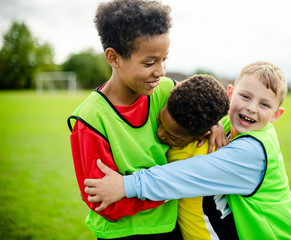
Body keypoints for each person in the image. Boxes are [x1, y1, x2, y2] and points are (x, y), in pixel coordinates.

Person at [84, 61, 291, 239]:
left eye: (264, 104)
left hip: (280, 234)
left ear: (276, 115)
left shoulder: (252, 152)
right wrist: (215, 122)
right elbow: (204, 108)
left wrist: (126, 185)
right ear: (230, 94)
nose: (251, 108)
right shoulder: (236, 125)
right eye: (245, 96)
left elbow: (187, 173)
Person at [67, 0, 226, 239]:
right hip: (123, 233)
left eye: (164, 60)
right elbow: (104, 203)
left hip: (171, 227)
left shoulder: (165, 90)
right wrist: (172, 186)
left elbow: (204, 102)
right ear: (114, 58)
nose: (161, 70)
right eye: (149, 62)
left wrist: (213, 124)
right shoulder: (91, 120)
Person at [156, 74, 238, 239]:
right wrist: (217, 123)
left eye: (173, 138)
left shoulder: (192, 156)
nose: (160, 133)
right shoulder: (187, 118)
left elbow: (157, 187)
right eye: (160, 121)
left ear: (201, 136)